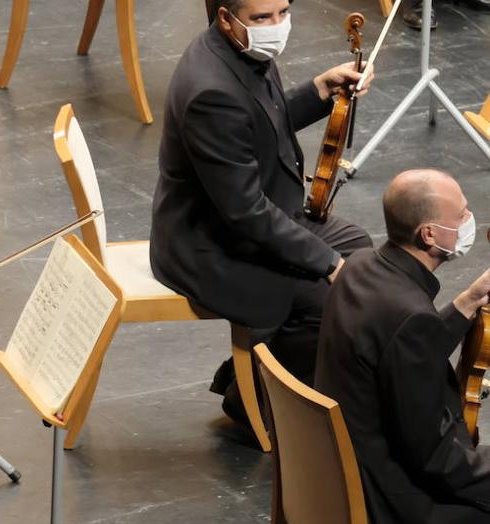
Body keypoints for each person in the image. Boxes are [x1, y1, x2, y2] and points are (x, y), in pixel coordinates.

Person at [155, 0, 374, 438]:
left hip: (246, 216)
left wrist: (319, 89)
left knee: (360, 249)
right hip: (212, 244)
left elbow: (261, 120)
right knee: (333, 297)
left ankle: (253, 374)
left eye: (283, 12)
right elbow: (246, 213)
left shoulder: (242, 51)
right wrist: (328, 263)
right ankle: (259, 403)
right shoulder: (210, 93)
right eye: (262, 18)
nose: (277, 26)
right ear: (225, 17)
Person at [315, 169, 490, 524]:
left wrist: (464, 304)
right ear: (430, 235)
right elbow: (432, 456)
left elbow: (399, 358)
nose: (469, 220)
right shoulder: (408, 316)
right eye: (460, 215)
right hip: (387, 498)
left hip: (345, 468)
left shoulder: (365, 266)